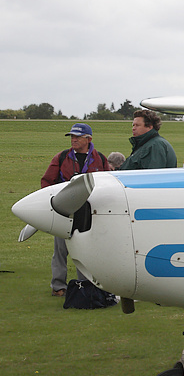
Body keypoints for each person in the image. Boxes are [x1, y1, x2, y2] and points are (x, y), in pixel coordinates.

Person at [40, 123, 112, 296]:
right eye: (72, 137)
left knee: (86, 249)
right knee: (60, 250)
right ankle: (58, 286)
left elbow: (108, 182)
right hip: (64, 211)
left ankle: (85, 285)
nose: (73, 140)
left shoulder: (100, 158)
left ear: (89, 139)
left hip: (87, 212)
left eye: (77, 137)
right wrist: (53, 202)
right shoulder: (61, 157)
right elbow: (46, 181)